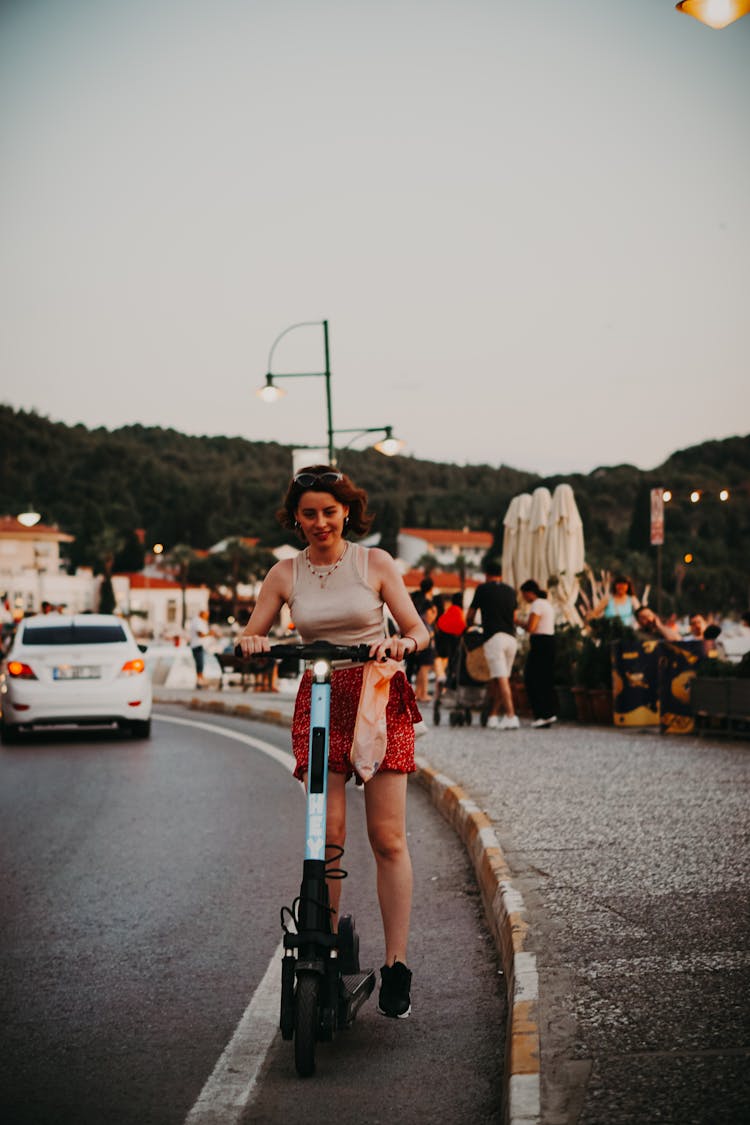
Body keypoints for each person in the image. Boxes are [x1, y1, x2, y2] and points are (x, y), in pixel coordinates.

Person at [238, 465, 429, 1019]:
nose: (320, 522)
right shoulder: (283, 573)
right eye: (308, 513)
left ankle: (396, 966)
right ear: (295, 519)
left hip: (375, 695)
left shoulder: (375, 563)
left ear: (347, 511)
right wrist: (252, 640)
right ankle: (322, 952)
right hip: (319, 697)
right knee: (328, 834)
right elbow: (257, 630)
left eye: (329, 511)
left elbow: (418, 629)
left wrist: (399, 646)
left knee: (388, 837)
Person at [466, 560, 519, 730]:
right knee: (500, 679)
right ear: (501, 575)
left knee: (501, 679)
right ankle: (493, 716)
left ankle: (511, 715)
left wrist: (471, 624)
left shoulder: (482, 589)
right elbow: (515, 616)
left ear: (487, 575)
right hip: (512, 638)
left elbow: (470, 614)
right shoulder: (511, 591)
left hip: (494, 638)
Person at [519, 579, 557, 728]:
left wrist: (517, 621)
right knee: (545, 678)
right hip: (549, 641)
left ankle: (541, 713)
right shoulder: (546, 603)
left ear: (529, 593)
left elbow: (531, 627)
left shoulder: (537, 604)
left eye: (523, 595)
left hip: (541, 642)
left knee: (532, 678)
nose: (523, 598)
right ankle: (548, 712)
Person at [189, 609, 210, 687]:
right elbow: (200, 634)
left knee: (200, 663)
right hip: (197, 645)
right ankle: (199, 680)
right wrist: (210, 634)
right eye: (206, 615)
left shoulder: (197, 621)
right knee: (200, 663)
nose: (207, 617)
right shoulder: (198, 621)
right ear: (202, 614)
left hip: (197, 645)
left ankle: (200, 679)